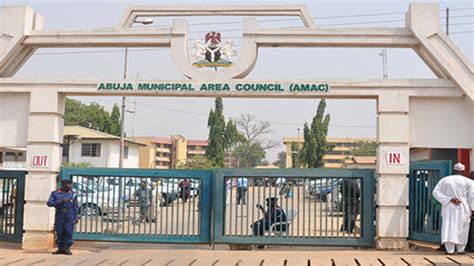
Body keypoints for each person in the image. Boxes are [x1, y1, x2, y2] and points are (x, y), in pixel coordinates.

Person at [432, 163, 473, 255]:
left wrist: (449, 199)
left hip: (448, 208)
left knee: (449, 227)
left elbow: (435, 192)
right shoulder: (469, 182)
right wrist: (473, 208)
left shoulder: (445, 180)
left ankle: (449, 250)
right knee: (463, 228)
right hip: (464, 208)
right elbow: (472, 197)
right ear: (463, 171)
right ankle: (460, 249)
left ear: (453, 170)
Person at [47, 179, 78, 255]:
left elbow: (75, 206)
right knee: (59, 231)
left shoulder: (73, 194)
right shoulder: (55, 193)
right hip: (60, 213)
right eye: (68, 184)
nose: (70, 186)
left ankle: (67, 248)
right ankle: (60, 248)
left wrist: (76, 217)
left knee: (68, 231)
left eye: (70, 184)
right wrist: (61, 201)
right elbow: (49, 203)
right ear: (63, 185)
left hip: (69, 214)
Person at [465, 171, 474, 252]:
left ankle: (470, 247)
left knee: (470, 229)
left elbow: (471, 198)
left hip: (471, 210)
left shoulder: (470, 185)